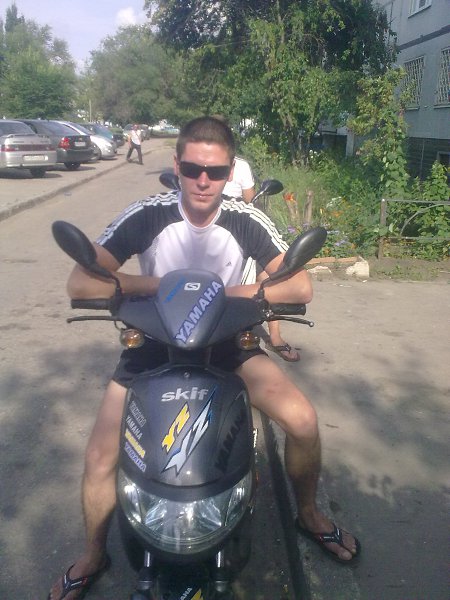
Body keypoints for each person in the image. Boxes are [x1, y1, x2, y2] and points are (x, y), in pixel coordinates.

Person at [48, 116, 360, 600]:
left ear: (229, 172)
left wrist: (211, 294)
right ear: (177, 166)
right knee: (100, 455)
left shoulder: (245, 218)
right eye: (192, 168)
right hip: (153, 347)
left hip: (230, 344)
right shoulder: (147, 214)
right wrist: (166, 287)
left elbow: (299, 285)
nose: (202, 181)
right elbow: (82, 280)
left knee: (302, 421)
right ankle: (93, 552)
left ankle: (308, 514)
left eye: (214, 172)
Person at [223, 155, 300, 362]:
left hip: (238, 224)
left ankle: (275, 337)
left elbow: (250, 200)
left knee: (269, 277)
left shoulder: (241, 166)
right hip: (209, 226)